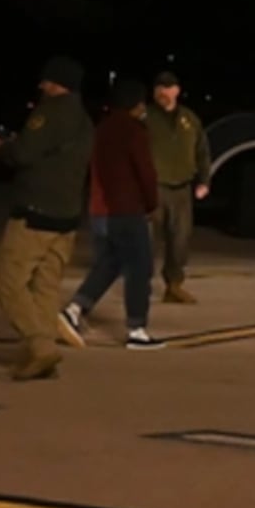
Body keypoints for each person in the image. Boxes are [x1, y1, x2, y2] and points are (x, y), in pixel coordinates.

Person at [0, 56, 93, 381]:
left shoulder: (49, 112)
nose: (42, 86)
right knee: (46, 287)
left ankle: (39, 346)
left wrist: (2, 149)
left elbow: (24, 153)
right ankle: (43, 354)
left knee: (10, 286)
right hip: (67, 215)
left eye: (47, 81)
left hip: (35, 212)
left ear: (58, 84)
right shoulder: (85, 120)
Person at [62, 77, 164, 350]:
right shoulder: (134, 131)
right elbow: (145, 173)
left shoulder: (101, 129)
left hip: (100, 210)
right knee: (140, 268)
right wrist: (151, 204)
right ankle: (136, 329)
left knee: (110, 263)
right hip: (126, 210)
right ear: (136, 104)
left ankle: (74, 309)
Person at [145, 70, 212, 304]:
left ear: (177, 91)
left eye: (168, 88)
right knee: (147, 240)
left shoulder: (189, 119)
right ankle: (140, 284)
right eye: (159, 88)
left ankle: (174, 285)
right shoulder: (145, 117)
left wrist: (204, 180)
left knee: (180, 240)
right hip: (153, 186)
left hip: (182, 188)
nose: (163, 92)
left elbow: (202, 151)